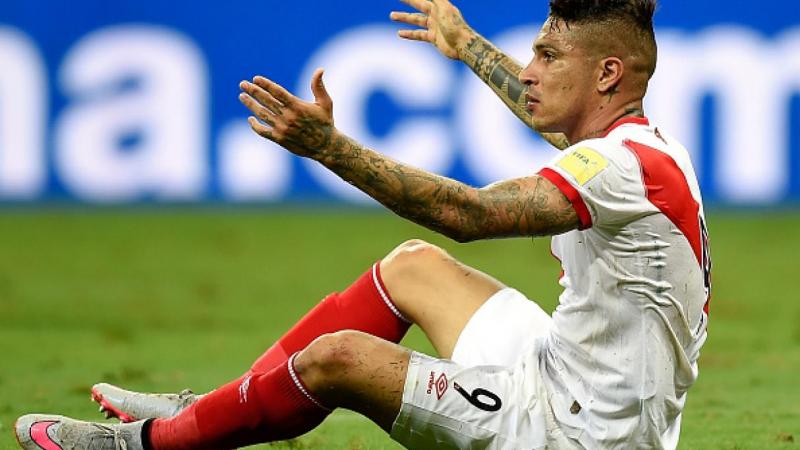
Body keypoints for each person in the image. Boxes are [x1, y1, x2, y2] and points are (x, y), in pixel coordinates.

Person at [15, 0, 712, 448]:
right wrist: (466, 44)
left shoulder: (619, 168)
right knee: (411, 267)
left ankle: (143, 444)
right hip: (564, 371)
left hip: (576, 430)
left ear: (608, 74)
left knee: (339, 359)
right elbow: (551, 126)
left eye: (548, 58)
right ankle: (212, 407)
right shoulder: (639, 148)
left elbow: (466, 214)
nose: (529, 71)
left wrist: (329, 149)